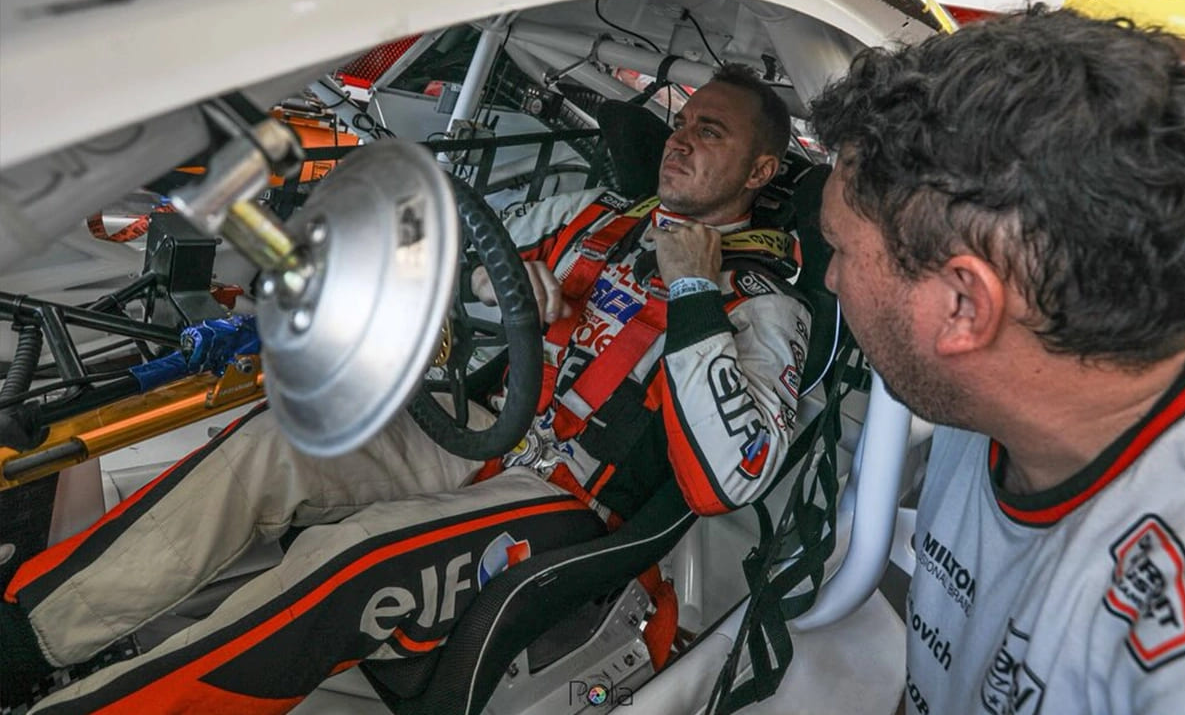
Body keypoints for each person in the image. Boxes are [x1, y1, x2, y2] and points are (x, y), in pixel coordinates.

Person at [1, 64, 814, 713]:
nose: (680, 141)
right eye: (682, 122)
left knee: (346, 560)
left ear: (762, 170)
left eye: (710, 131)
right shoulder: (597, 218)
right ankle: (21, 640)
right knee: (272, 442)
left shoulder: (766, 302)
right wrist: (496, 288)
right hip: (490, 428)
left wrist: (693, 292)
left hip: (569, 499)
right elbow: (458, 263)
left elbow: (728, 479)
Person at [809, 5, 1185, 715]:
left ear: (964, 306)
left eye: (839, 247)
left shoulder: (1173, 651)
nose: (832, 280)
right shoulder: (991, 396)